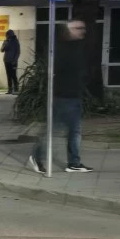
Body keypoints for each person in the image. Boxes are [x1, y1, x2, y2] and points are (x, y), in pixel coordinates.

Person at [28, 19, 93, 174]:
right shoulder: (61, 49)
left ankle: (73, 163)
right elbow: (60, 71)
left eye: (82, 27)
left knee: (72, 131)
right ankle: (38, 156)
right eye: (77, 28)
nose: (81, 30)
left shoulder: (77, 47)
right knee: (55, 129)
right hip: (64, 96)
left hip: (73, 95)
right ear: (68, 30)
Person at [1, 29, 21, 94]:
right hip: (6, 61)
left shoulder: (16, 41)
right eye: (6, 36)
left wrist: (15, 60)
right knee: (8, 75)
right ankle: (10, 89)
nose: (6, 37)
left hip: (13, 61)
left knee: (13, 75)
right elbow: (1, 50)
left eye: (7, 35)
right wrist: (6, 43)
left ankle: (16, 89)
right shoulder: (6, 41)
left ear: (10, 35)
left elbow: (18, 52)